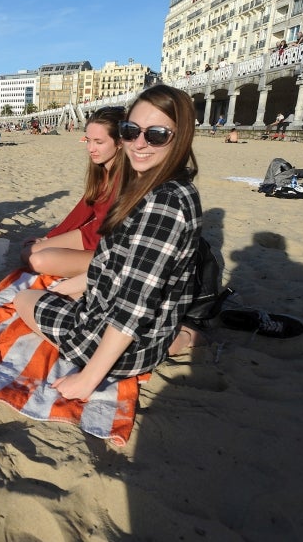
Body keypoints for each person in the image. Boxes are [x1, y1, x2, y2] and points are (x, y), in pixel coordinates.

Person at [13, 84, 202, 400]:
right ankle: (175, 338)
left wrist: (87, 379)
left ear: (180, 136)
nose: (139, 144)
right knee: (53, 292)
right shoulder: (162, 188)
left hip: (116, 346)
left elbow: (133, 304)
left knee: (22, 301)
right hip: (133, 325)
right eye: (131, 131)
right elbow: (118, 264)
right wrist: (71, 287)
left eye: (155, 135)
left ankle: (174, 342)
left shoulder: (163, 203)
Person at [20, 106, 127, 279]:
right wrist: (49, 238)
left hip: (110, 247)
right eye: (88, 140)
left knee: (38, 261)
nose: (91, 148)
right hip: (92, 233)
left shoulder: (126, 178)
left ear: (120, 142)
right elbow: (84, 208)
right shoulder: (101, 171)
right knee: (28, 253)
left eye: (99, 142)